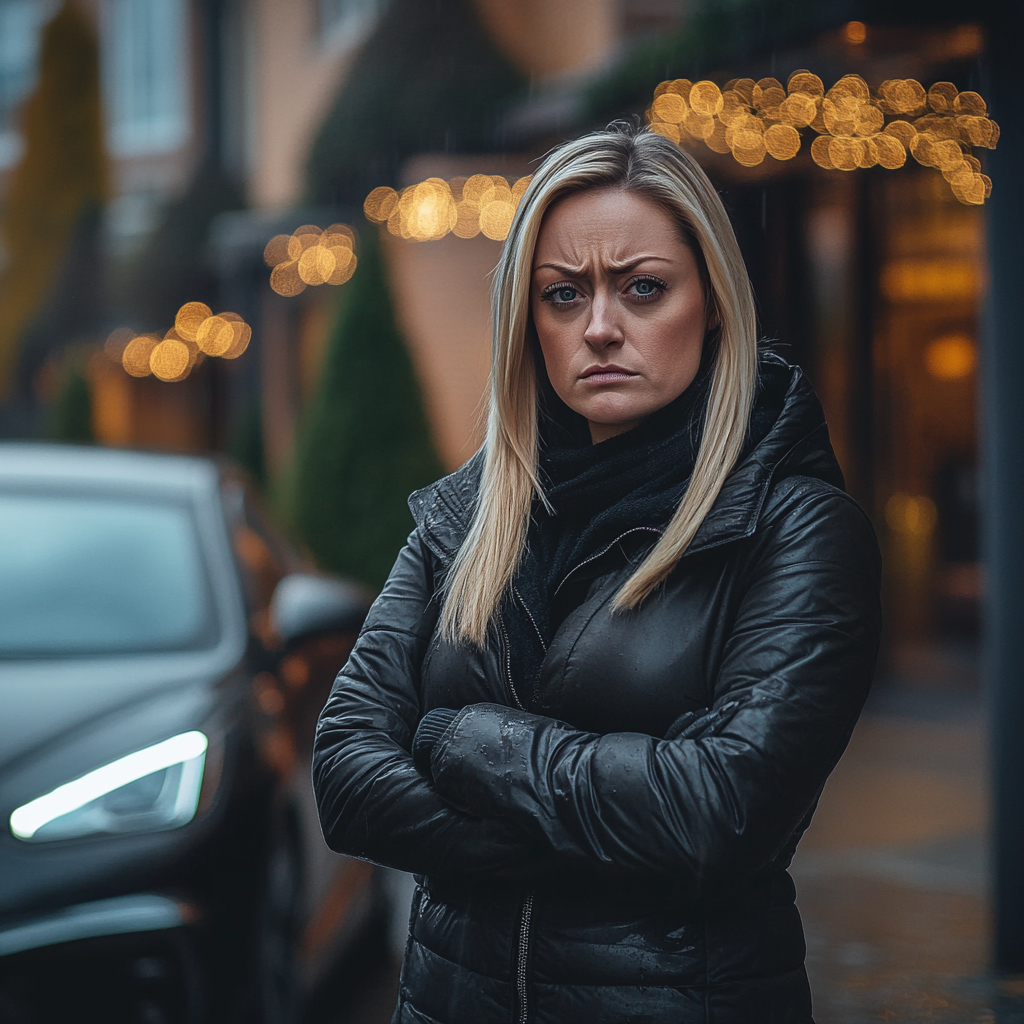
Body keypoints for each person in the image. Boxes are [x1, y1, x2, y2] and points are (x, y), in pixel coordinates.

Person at [313, 124, 881, 1024]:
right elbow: (346, 776)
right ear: (527, 321)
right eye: (563, 295)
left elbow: (715, 816)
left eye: (643, 288)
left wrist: (468, 743)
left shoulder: (793, 527)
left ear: (716, 303)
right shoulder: (465, 520)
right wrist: (617, 830)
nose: (602, 327)